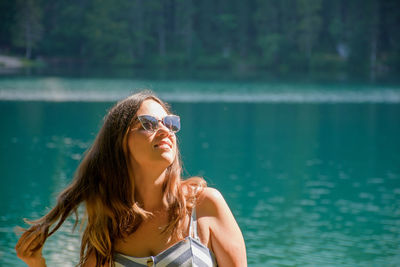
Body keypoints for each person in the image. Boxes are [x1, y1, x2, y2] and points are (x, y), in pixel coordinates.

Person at [15, 90, 247, 267]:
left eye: (170, 123)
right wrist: (36, 263)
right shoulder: (110, 227)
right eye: (148, 124)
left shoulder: (204, 206)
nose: (165, 131)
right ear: (120, 142)